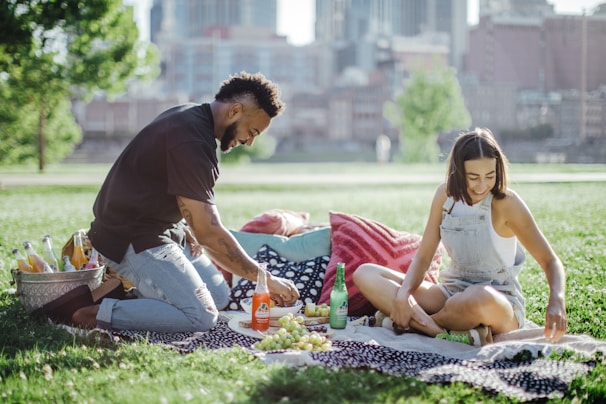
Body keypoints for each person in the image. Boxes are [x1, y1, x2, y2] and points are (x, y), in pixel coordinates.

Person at [70, 72, 300, 332]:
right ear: (235, 111)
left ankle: (149, 298)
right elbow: (210, 234)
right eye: (252, 131)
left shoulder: (192, 117)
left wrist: (185, 225)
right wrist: (266, 279)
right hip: (130, 238)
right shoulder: (191, 139)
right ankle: (95, 313)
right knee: (201, 316)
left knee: (219, 297)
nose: (249, 141)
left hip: (162, 230)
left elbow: (165, 191)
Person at [353, 128, 567, 345]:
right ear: (457, 171)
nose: (482, 185)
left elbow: (550, 261)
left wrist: (557, 299)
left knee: (477, 297)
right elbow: (423, 257)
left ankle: (418, 323)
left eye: (489, 176)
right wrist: (404, 294)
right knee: (366, 274)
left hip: (496, 301)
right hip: (451, 292)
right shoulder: (445, 196)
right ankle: (441, 330)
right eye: (473, 177)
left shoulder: (507, 203)